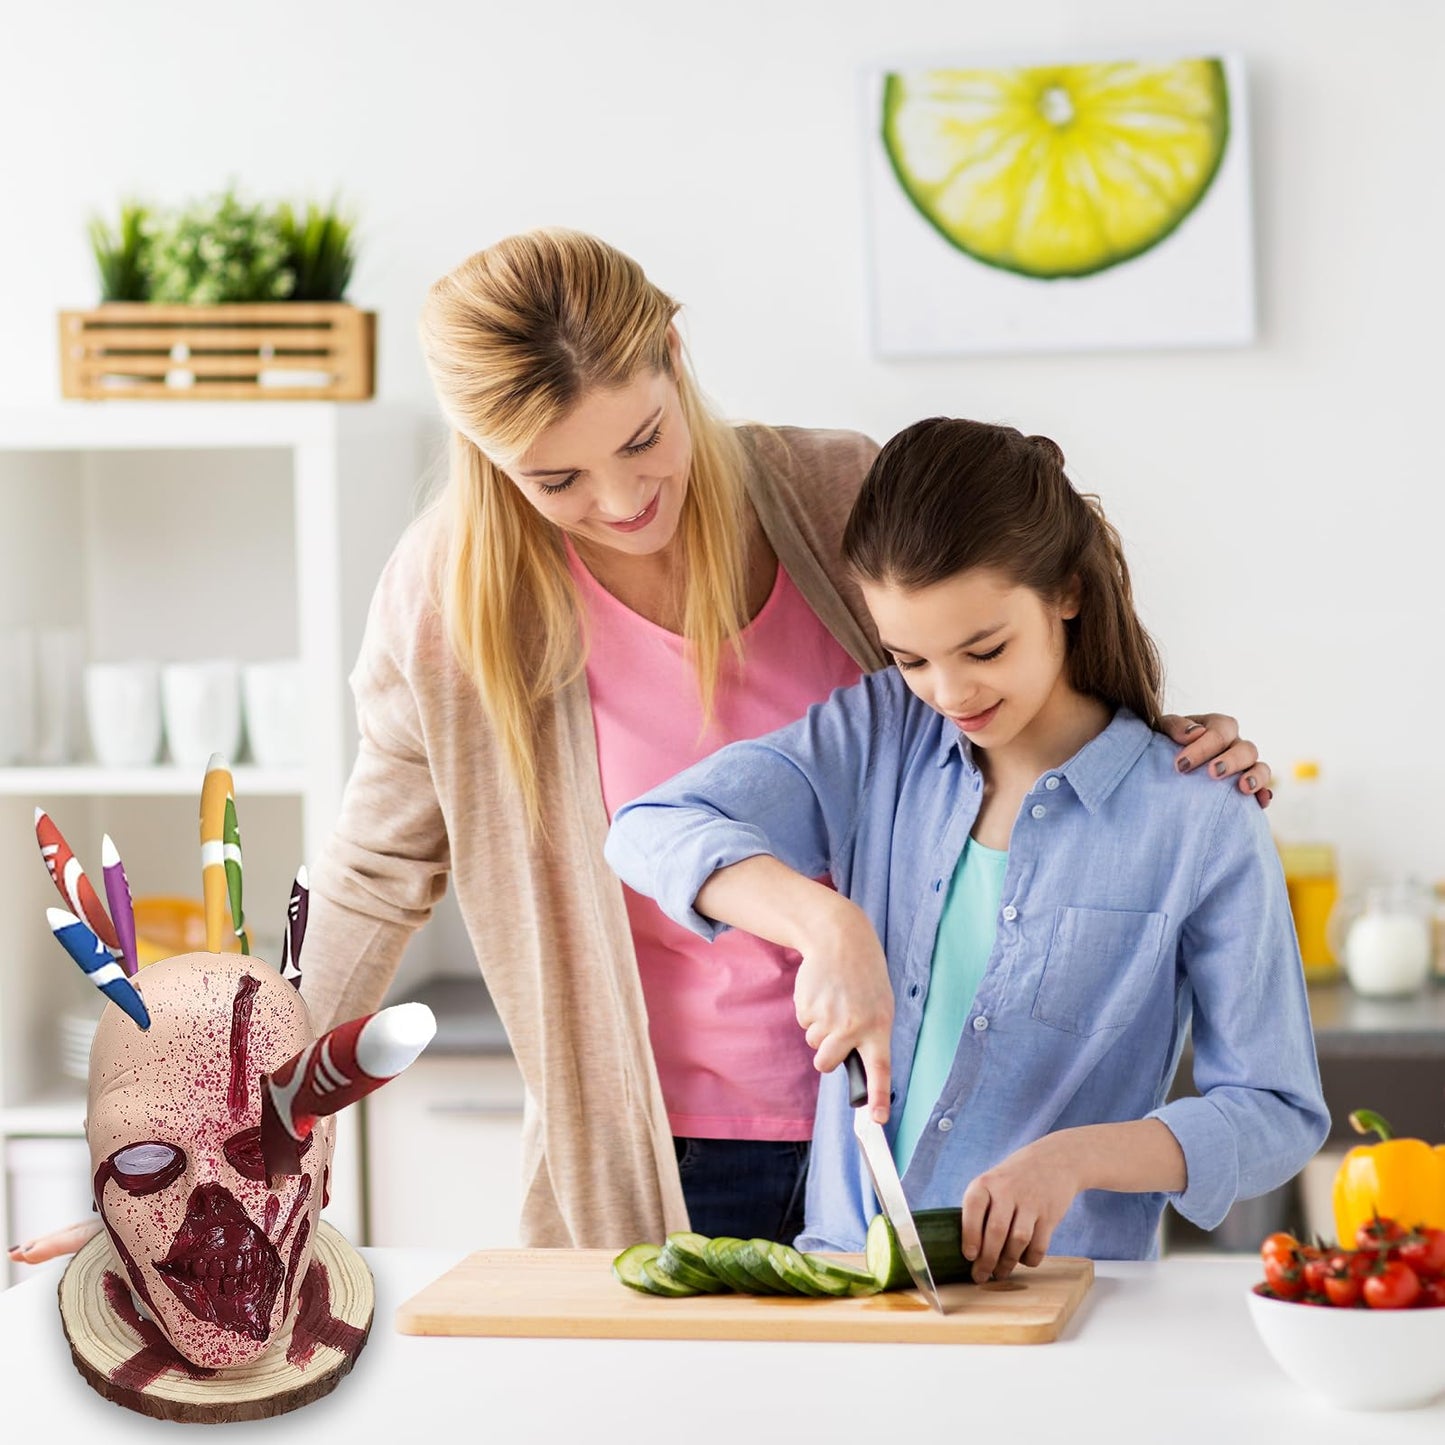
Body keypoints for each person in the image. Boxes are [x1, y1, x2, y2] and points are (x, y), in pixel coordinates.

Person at [8, 234, 1271, 1268]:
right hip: (650, 1139)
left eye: (640, 439)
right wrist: (228, 1136)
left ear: (674, 355)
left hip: (894, 1122)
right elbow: (369, 874)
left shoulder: (834, 496)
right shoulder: (454, 602)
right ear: (489, 459)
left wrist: (1155, 736)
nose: (618, 502)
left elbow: (1000, 633)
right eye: (555, 478)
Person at [605, 417, 1328, 1278]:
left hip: (1063, 1294)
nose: (949, 692)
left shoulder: (1199, 816)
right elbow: (646, 828)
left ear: (1065, 591)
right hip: (847, 1282)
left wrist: (1076, 1157)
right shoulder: (878, 732)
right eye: (911, 657)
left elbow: (1275, 1109)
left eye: (984, 648)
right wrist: (823, 922)